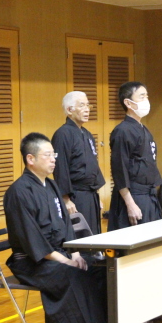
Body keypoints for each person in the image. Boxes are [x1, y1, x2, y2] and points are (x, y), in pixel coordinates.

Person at [3, 132, 107, 323]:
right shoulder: (18, 192)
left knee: (100, 268)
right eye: (48, 155)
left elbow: (66, 225)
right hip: (32, 261)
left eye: (54, 155)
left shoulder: (51, 186)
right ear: (30, 159)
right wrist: (65, 260)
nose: (53, 160)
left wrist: (75, 253)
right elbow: (32, 239)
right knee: (73, 275)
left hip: (61, 253)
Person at [108, 81, 162, 231]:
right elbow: (119, 170)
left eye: (147, 96)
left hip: (148, 195)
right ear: (128, 103)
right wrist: (130, 203)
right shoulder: (122, 131)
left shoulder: (144, 129)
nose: (146, 100)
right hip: (134, 196)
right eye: (142, 97)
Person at [52, 91, 105, 234]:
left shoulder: (87, 134)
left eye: (88, 105)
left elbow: (92, 165)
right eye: (82, 106)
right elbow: (60, 168)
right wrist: (66, 200)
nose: (87, 109)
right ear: (69, 110)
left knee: (94, 235)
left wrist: (96, 195)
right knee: (81, 236)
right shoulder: (62, 134)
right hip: (76, 196)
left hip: (90, 194)